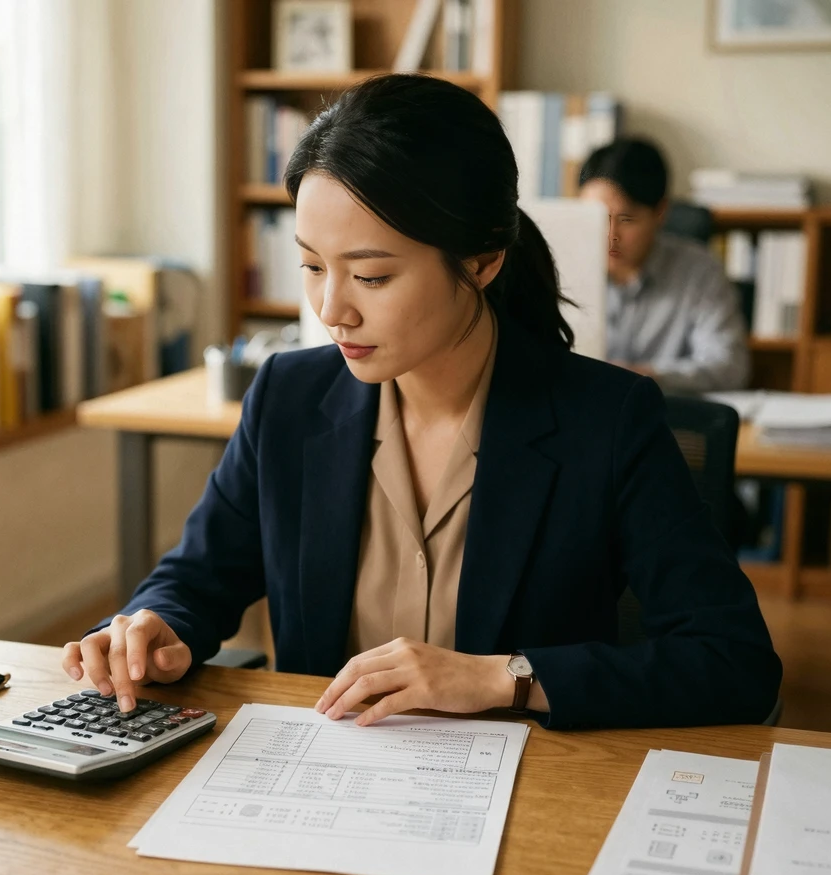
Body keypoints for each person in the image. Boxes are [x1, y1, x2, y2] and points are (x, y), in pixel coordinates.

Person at [63, 75, 781, 731]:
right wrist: (157, 624)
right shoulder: (287, 397)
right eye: (313, 266)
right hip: (318, 788)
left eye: (371, 276)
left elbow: (735, 661)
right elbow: (197, 576)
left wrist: (508, 678)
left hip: (524, 803)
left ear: (482, 260)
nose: (331, 310)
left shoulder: (609, 419)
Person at [578, 138, 751, 394]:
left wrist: (649, 377)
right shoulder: (557, 265)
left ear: (660, 211)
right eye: (597, 217)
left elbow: (730, 366)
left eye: (627, 219)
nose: (610, 235)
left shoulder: (699, 271)